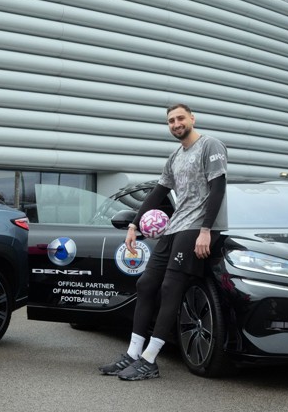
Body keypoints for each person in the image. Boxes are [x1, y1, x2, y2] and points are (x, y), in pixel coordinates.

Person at [99, 103, 227, 381]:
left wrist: (206, 229)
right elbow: (158, 193)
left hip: (196, 228)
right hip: (176, 226)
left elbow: (218, 187)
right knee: (145, 284)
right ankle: (133, 354)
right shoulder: (175, 157)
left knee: (171, 288)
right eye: (171, 121)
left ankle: (149, 359)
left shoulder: (210, 145)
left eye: (180, 118)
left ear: (192, 118)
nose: (176, 123)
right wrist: (134, 224)